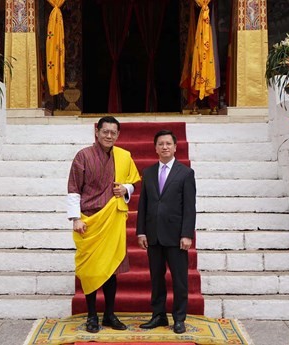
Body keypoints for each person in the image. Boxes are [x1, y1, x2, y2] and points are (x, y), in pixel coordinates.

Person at [67, 116, 140, 333]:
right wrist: (75, 218)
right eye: (105, 131)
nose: (109, 136)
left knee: (112, 269)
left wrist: (126, 189)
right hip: (89, 220)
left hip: (113, 220)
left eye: (113, 132)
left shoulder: (123, 156)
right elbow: (73, 188)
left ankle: (109, 315)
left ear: (118, 135)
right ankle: (91, 316)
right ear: (97, 132)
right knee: (90, 271)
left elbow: (133, 182)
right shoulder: (83, 156)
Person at [136, 129, 196, 334]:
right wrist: (141, 232)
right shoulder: (149, 172)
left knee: (179, 280)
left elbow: (189, 206)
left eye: (168, 144)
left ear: (175, 146)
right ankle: (158, 315)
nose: (164, 147)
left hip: (176, 236)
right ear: (155, 148)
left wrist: (187, 234)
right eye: (160, 144)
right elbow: (143, 204)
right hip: (153, 235)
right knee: (156, 279)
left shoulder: (186, 173)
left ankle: (179, 318)